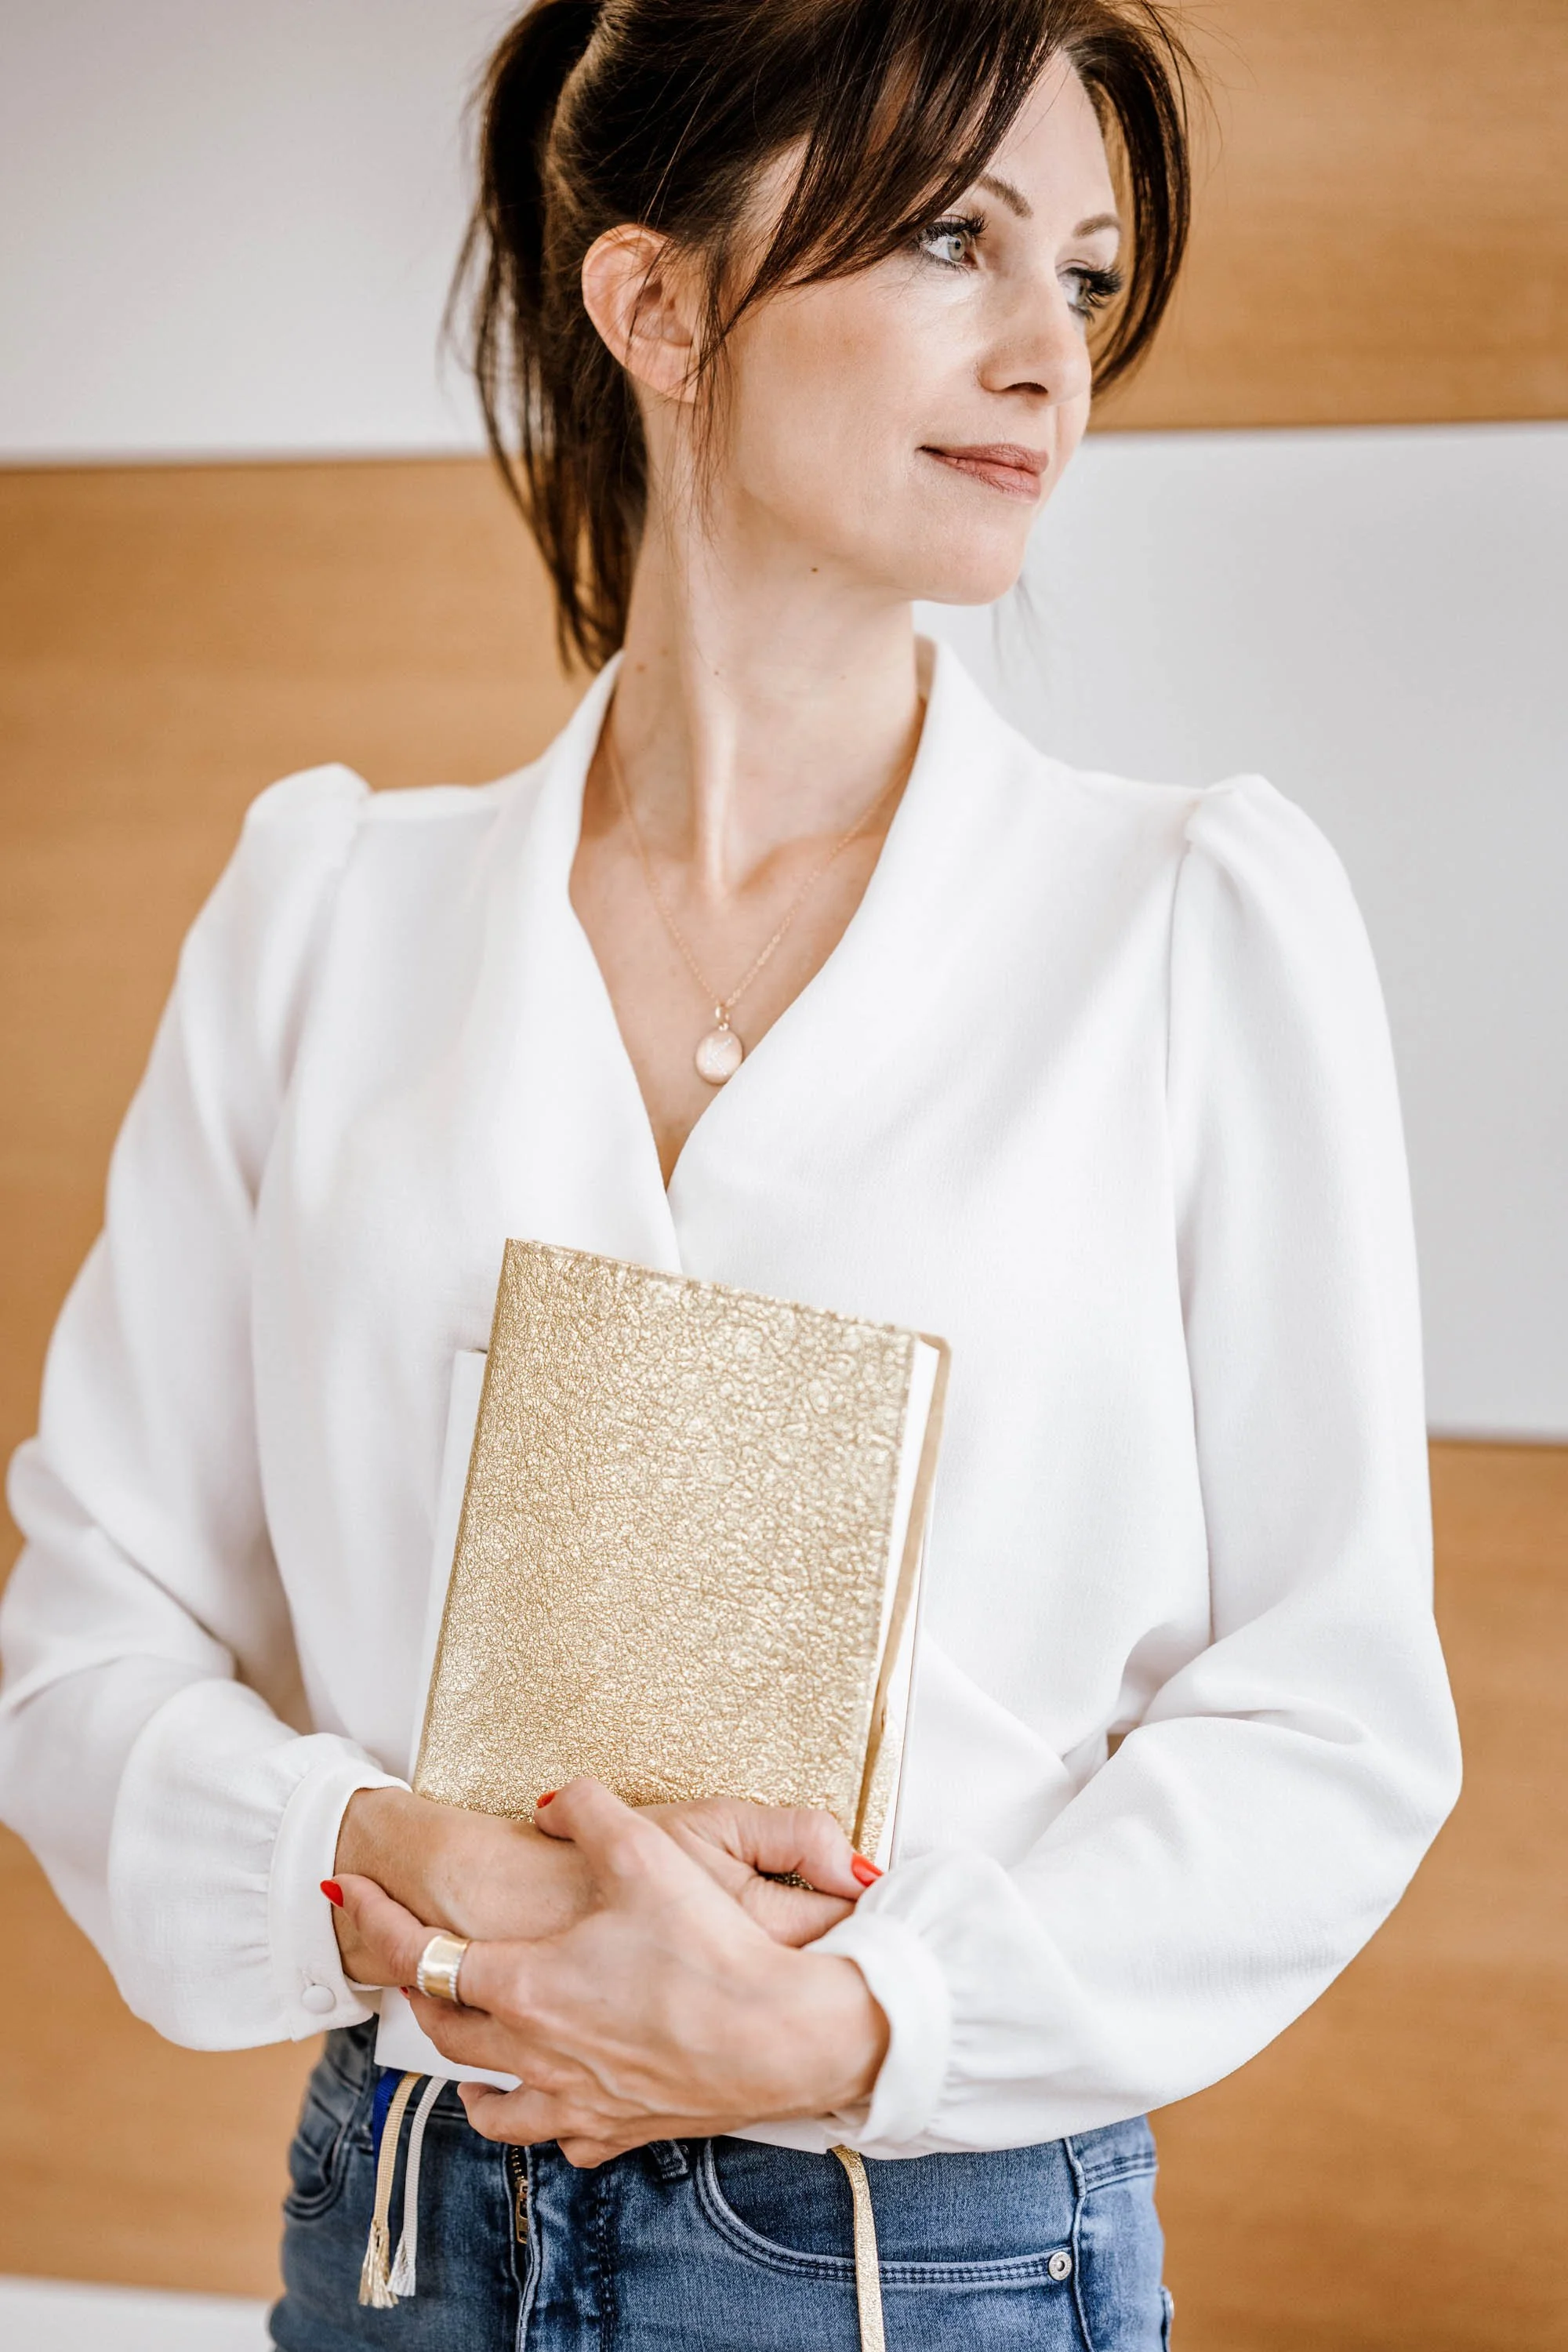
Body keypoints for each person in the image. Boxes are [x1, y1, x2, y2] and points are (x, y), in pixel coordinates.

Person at [0, 1, 1462, 2345]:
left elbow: (1333, 1719)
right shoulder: (324, 910)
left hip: (932, 2256)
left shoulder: (1192, 920)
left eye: (1082, 278)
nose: (1045, 356)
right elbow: (87, 1645)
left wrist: (846, 2023)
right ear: (657, 302)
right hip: (407, 2230)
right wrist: (386, 1867)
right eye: (956, 242)